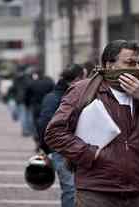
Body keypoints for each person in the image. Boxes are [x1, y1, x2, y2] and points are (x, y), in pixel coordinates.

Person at [44, 40, 139, 207]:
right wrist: (90, 153)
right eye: (129, 62)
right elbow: (54, 133)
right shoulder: (83, 90)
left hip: (135, 192)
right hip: (95, 191)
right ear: (109, 64)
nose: (136, 68)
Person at [37, 64, 89, 207]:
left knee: (78, 189)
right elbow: (44, 124)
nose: (87, 81)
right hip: (61, 150)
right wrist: (45, 148)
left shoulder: (80, 95)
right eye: (85, 77)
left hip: (80, 148)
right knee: (70, 188)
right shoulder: (54, 98)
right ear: (77, 79)